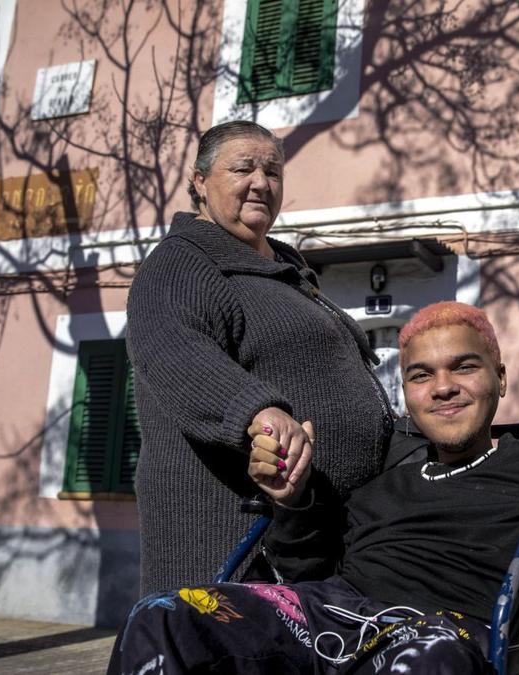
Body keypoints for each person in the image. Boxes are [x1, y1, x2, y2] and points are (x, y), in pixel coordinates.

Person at [110, 302, 519, 674]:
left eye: (463, 367)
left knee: (424, 660)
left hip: (447, 636)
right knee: (164, 615)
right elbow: (307, 571)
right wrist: (291, 498)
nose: (443, 388)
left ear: (499, 377)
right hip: (330, 617)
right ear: (408, 394)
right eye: (422, 375)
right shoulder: (381, 481)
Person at [126, 120, 393, 595]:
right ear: (200, 182)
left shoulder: (285, 270)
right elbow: (175, 353)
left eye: (273, 172)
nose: (260, 183)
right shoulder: (182, 264)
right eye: (242, 168)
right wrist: (255, 410)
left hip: (319, 528)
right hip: (235, 534)